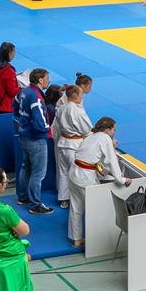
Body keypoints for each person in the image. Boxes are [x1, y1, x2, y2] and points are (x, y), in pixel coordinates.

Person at [66, 117, 127, 247]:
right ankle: (94, 243)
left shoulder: (90, 136)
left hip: (73, 172)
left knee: (76, 208)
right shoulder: (105, 138)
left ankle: (76, 239)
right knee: (94, 209)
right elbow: (111, 161)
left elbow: (97, 160)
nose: (114, 133)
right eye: (114, 130)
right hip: (85, 177)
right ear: (107, 129)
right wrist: (121, 180)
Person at [13, 68, 52, 215]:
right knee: (38, 173)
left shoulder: (23, 91)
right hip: (36, 138)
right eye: (47, 78)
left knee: (26, 167)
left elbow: (15, 106)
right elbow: (40, 121)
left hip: (24, 135)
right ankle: (35, 204)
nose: (49, 81)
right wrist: (48, 130)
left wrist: (23, 120)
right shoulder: (36, 97)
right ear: (40, 80)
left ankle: (22, 197)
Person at [52, 83, 91, 211]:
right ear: (75, 96)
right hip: (75, 145)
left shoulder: (60, 108)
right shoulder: (77, 110)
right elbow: (86, 129)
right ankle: (77, 199)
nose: (82, 98)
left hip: (63, 143)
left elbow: (56, 126)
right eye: (80, 95)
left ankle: (63, 199)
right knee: (75, 173)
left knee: (63, 172)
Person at [0, 41, 19, 114]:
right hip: (6, 106)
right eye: (14, 52)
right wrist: (21, 89)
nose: (15, 54)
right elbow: (12, 92)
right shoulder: (9, 71)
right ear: (9, 54)